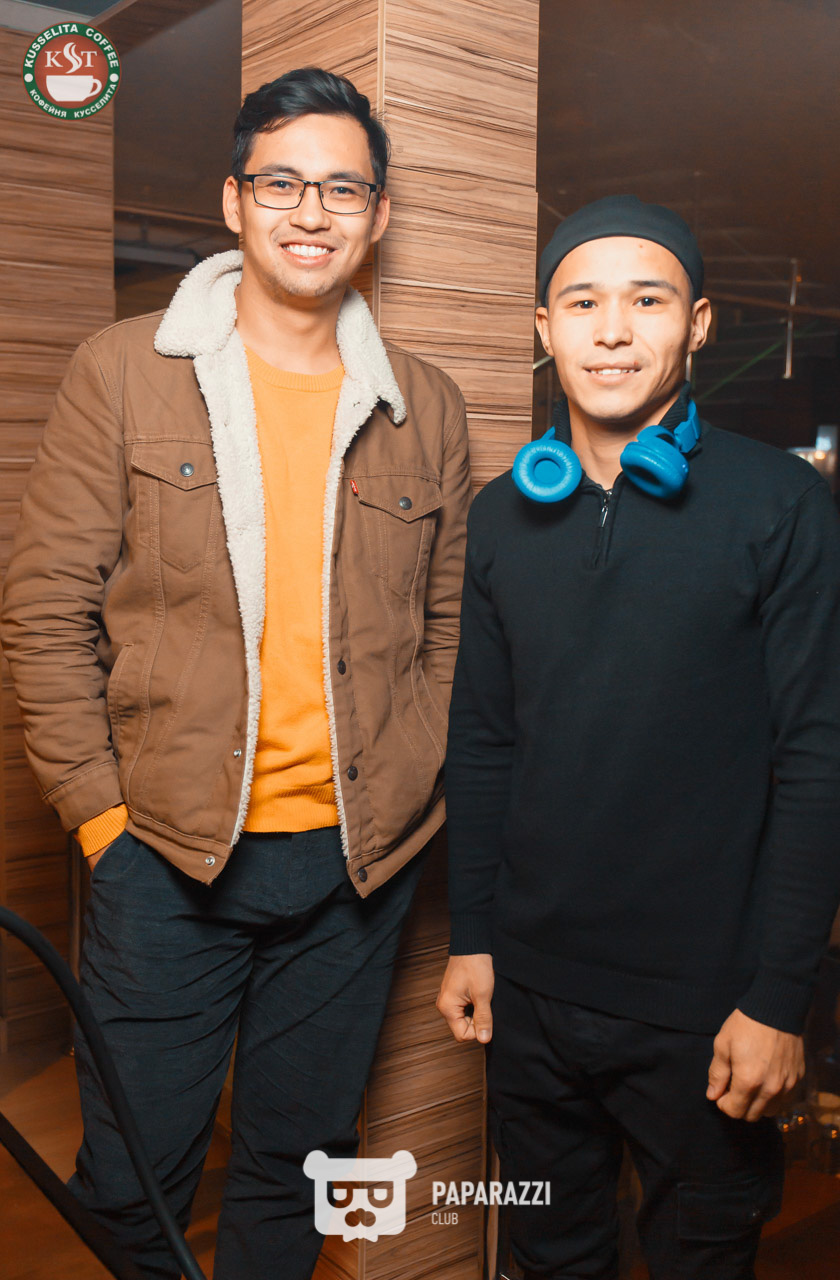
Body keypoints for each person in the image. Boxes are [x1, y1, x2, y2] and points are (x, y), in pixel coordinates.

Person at [1, 67, 471, 1279]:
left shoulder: (424, 404)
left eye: (342, 188)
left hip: (358, 863)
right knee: (130, 1181)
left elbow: (446, 623)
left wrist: (419, 777)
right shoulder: (123, 370)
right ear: (233, 199)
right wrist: (102, 821)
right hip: (165, 853)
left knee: (298, 1162)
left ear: (377, 214)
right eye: (281, 183)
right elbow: (45, 608)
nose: (311, 211)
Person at [436, 194, 840, 1279]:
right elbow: (482, 741)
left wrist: (778, 998)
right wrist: (473, 935)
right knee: (547, 1253)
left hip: (707, 1005)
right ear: (545, 327)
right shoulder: (500, 515)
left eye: (647, 301)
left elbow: (821, 764)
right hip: (530, 994)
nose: (611, 331)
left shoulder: (777, 505)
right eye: (581, 303)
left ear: (698, 324)